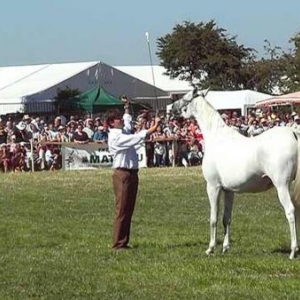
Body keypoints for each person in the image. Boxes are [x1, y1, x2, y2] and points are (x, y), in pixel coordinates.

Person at [105, 104, 161, 251]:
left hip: (132, 173)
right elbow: (136, 137)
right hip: (122, 174)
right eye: (117, 119)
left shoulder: (122, 132)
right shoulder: (115, 137)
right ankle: (118, 244)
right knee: (122, 209)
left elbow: (128, 123)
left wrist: (127, 108)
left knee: (128, 209)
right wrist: (153, 128)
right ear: (111, 123)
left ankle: (124, 241)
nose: (120, 120)